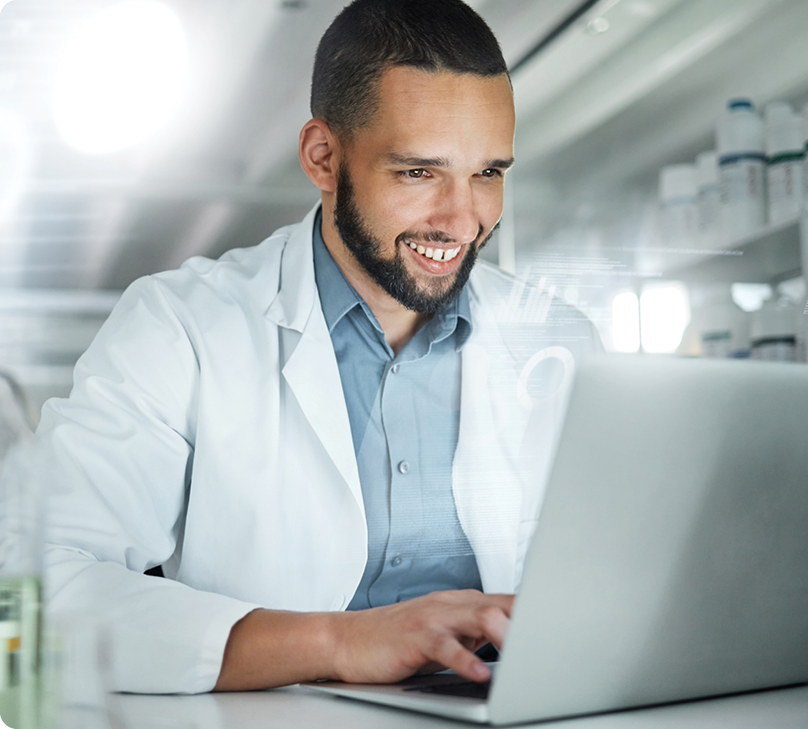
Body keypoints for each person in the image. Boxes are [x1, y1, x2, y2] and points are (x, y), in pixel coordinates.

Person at [37, 0, 602, 695]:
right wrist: (338, 642)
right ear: (323, 157)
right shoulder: (178, 326)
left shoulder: (559, 341)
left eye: (488, 172)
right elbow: (36, 586)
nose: (464, 218)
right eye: (419, 172)